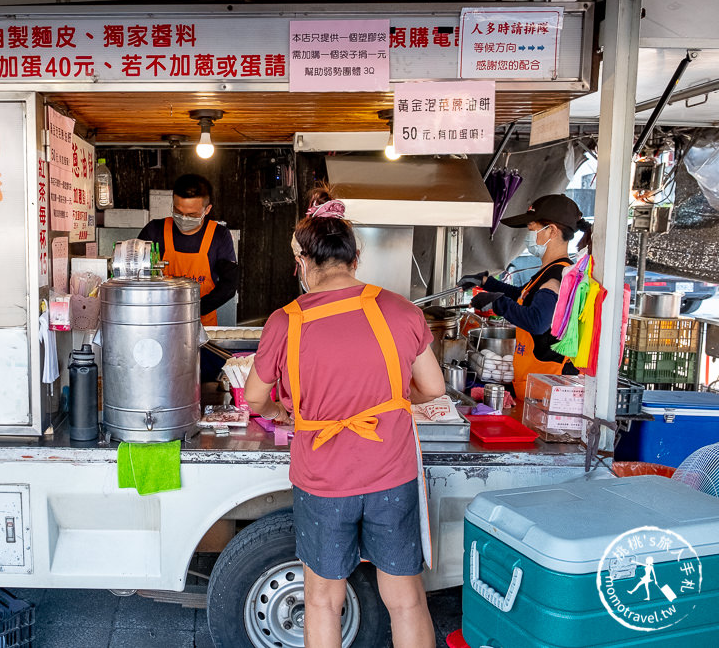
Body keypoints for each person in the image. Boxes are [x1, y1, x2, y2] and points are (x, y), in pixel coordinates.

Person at [243, 189, 445, 648]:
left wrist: (280, 409)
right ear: (356, 255)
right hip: (389, 474)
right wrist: (391, 398)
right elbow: (433, 388)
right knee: (406, 599)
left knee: (321, 600)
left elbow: (255, 399)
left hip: (322, 480)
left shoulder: (284, 321)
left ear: (302, 261)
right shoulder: (399, 309)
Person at [459, 194, 593, 398]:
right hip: (536, 382)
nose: (528, 237)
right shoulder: (551, 270)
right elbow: (524, 296)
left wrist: (497, 303)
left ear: (551, 231)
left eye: (532, 230)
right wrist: (488, 283)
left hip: (548, 386)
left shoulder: (557, 276)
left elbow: (538, 321)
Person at [137, 174, 238, 326]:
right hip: (159, 323)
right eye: (178, 212)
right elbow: (133, 276)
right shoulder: (154, 230)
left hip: (201, 325)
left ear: (207, 209)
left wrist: (192, 309)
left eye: (192, 214)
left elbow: (229, 285)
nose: (183, 218)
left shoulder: (219, 235)